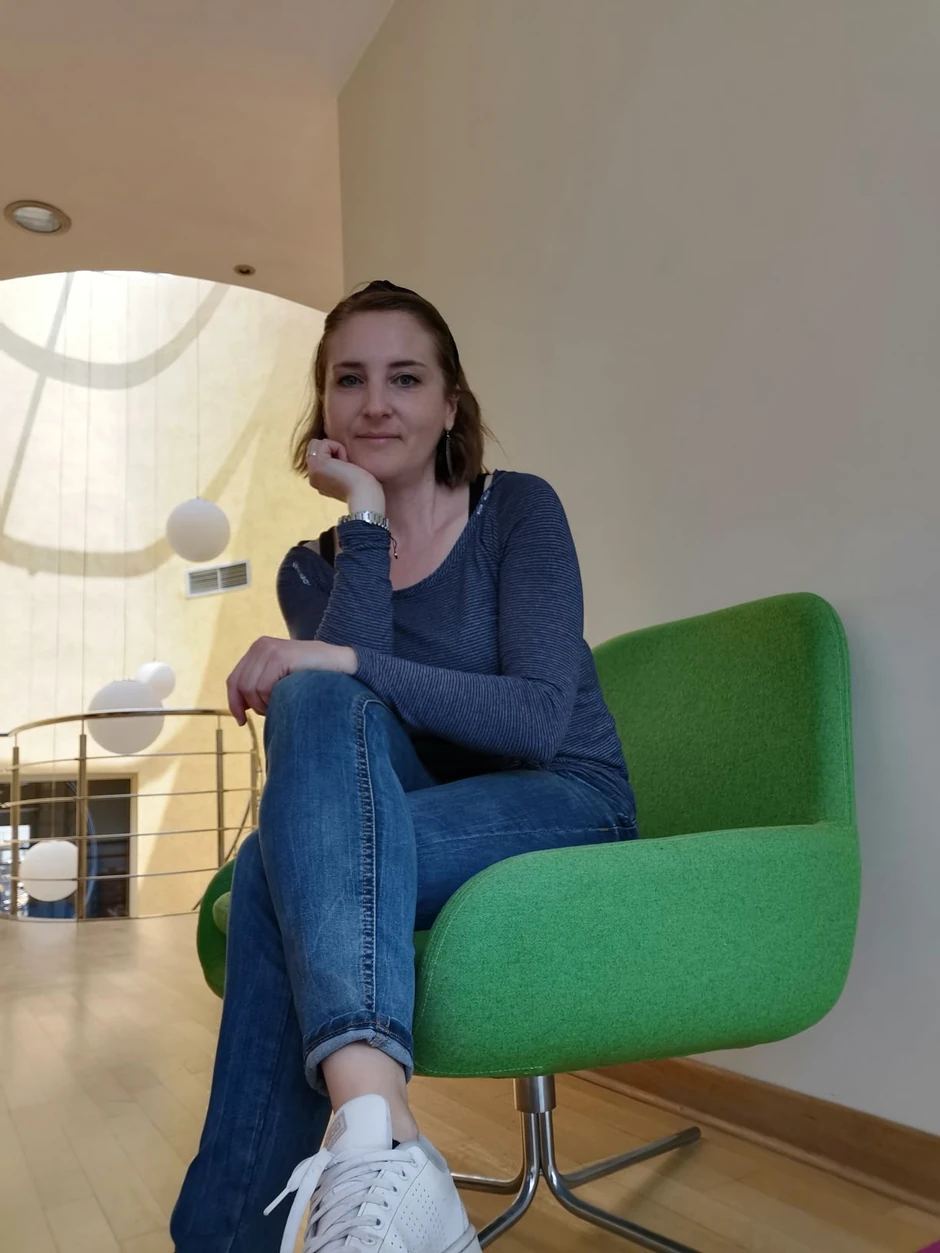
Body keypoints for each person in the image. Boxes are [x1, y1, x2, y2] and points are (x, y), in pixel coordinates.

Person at [170, 281, 637, 1253]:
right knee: (312, 709)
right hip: (412, 823)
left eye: (405, 378)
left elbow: (535, 719)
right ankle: (377, 1133)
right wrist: (367, 518)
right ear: (323, 405)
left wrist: (339, 656)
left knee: (275, 864)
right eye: (349, 379)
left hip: (567, 801)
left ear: (451, 402)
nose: (375, 403)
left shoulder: (517, 511)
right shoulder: (317, 565)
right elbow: (350, 724)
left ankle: (279, 1202)